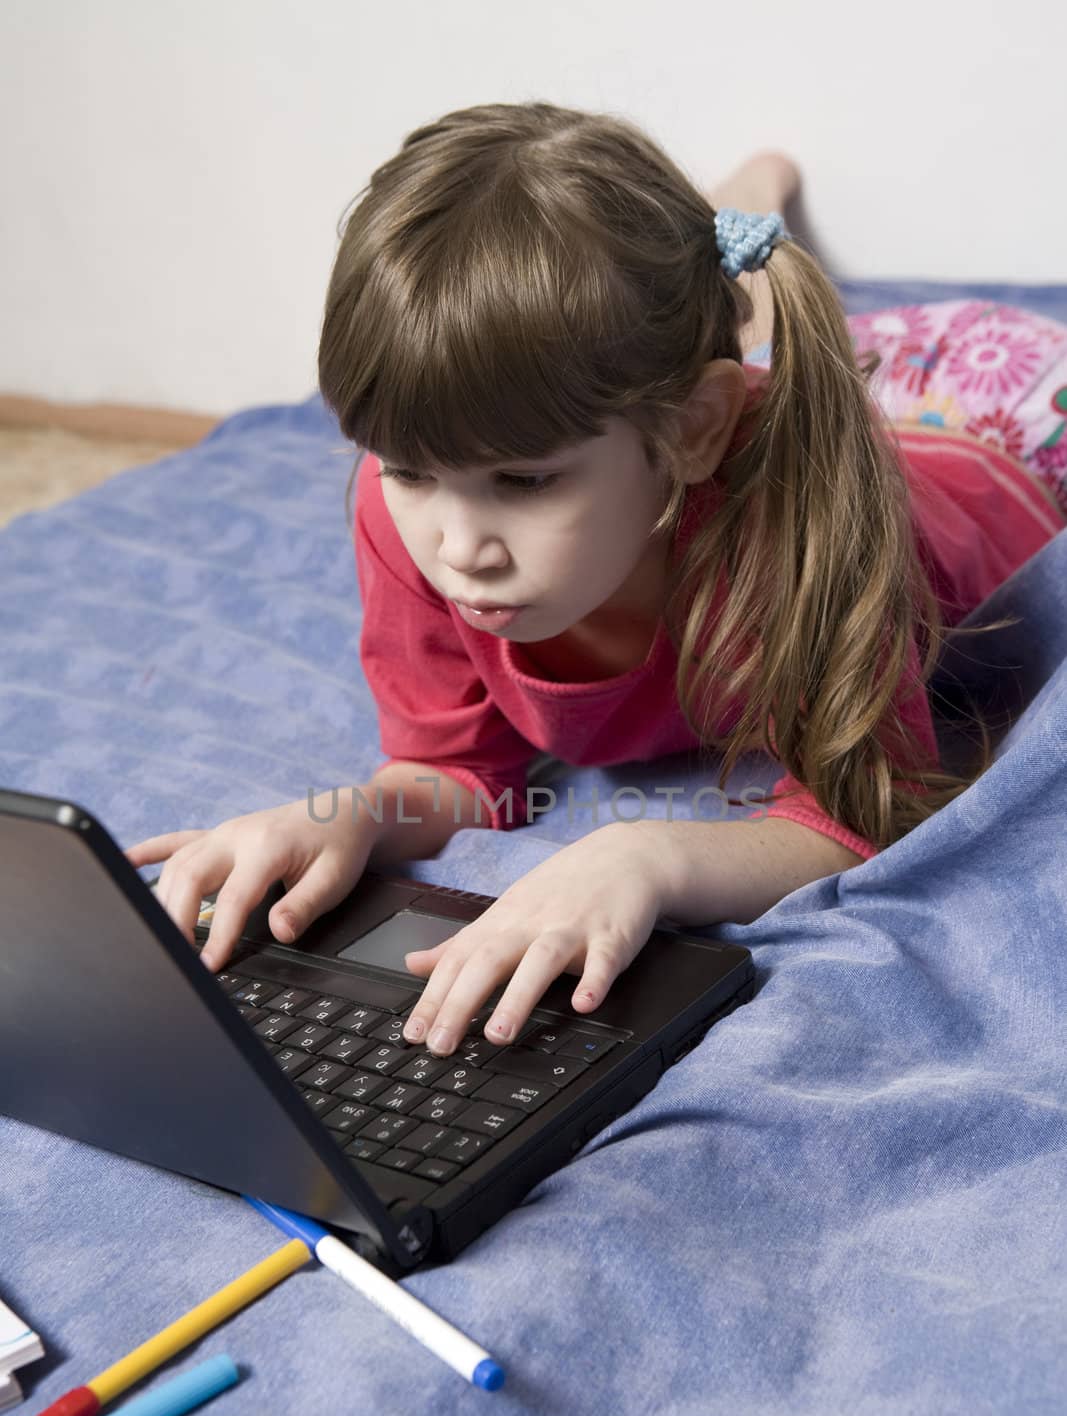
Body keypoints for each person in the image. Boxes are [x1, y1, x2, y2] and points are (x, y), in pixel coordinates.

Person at [126, 102, 1066, 1064]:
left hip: (1001, 423)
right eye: (408, 471)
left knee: (844, 361)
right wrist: (355, 815)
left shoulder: (798, 529)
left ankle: (747, 217)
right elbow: (459, 773)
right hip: (730, 401)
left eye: (524, 481)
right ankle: (742, 207)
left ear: (694, 434)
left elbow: (862, 808)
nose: (458, 550)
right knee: (755, 353)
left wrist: (644, 853)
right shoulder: (402, 507)